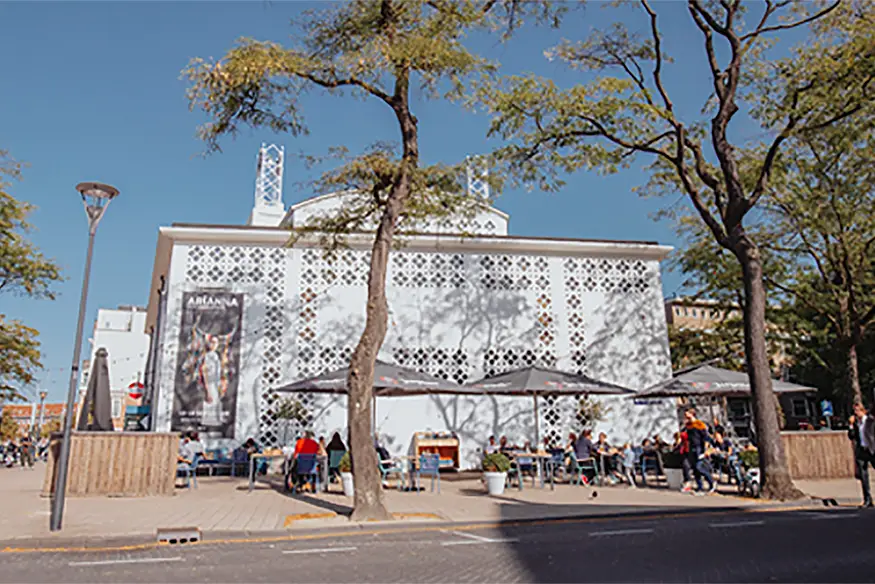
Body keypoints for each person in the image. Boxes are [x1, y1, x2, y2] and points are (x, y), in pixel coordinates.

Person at [848, 402, 875, 508]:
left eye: (857, 410)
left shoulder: (870, 421)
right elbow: (851, 436)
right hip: (861, 450)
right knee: (863, 476)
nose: (856, 413)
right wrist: (850, 425)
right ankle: (867, 499)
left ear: (863, 411)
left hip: (872, 449)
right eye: (854, 411)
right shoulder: (856, 423)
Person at [684, 407, 715, 494]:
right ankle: (699, 486)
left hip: (699, 447)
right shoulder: (688, 425)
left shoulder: (699, 424)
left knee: (699, 466)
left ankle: (711, 482)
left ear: (692, 414)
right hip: (691, 447)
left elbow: (706, 437)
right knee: (694, 469)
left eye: (687, 414)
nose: (685, 416)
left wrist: (705, 449)